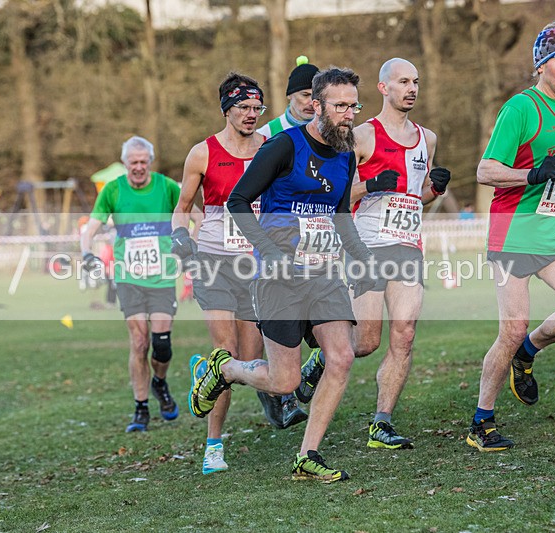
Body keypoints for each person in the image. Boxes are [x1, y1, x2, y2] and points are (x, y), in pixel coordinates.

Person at [191, 67, 377, 483]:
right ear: (317, 105)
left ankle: (307, 455)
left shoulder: (346, 155)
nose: (350, 115)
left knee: (342, 356)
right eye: (341, 106)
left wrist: (361, 257)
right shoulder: (283, 146)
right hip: (278, 276)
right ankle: (224, 371)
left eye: (354, 106)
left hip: (323, 274)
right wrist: (271, 252)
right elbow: (237, 202)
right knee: (283, 380)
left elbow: (341, 214)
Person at [299, 58, 451, 450]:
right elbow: (332, 197)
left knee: (404, 334)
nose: (411, 88)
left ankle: (381, 423)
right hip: (365, 248)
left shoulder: (426, 139)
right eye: (403, 81)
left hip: (408, 248)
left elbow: (416, 196)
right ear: (384, 88)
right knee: (365, 341)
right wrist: (369, 185)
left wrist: (436, 189)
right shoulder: (362, 136)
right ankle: (319, 359)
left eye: (416, 81)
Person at [468, 20, 555, 451]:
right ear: (542, 65)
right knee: (509, 328)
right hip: (514, 236)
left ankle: (528, 351)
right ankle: (481, 423)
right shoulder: (521, 108)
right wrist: (531, 175)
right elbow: (485, 170)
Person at [172, 72, 307, 476]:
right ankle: (214, 445)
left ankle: (221, 376)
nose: (251, 115)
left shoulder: (272, 149)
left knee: (249, 359)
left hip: (257, 264)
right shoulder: (202, 153)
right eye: (244, 108)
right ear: (226, 109)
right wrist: (181, 236)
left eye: (257, 108)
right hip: (213, 262)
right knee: (226, 354)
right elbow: (182, 205)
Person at [80, 136, 182, 432]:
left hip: (162, 276)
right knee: (139, 342)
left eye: (143, 162)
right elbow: (91, 228)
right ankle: (141, 407)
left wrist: (192, 247)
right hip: (128, 277)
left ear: (150, 161)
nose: (138, 167)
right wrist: (86, 252)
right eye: (132, 162)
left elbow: (195, 217)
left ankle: (159, 383)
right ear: (125, 163)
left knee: (161, 346)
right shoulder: (113, 190)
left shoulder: (167, 187)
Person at [257, 56, 319, 138]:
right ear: (289, 95)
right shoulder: (267, 133)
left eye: (317, 96)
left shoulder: (332, 130)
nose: (312, 103)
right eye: (305, 95)